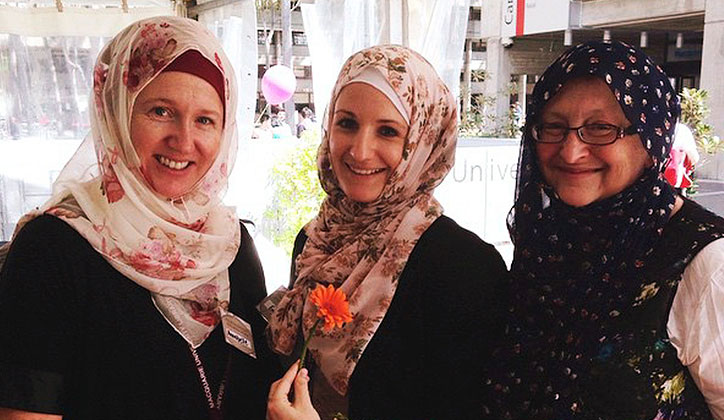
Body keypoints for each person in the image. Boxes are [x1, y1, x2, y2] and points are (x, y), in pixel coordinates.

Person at [0, 16, 278, 420]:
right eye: (160, 110)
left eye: (204, 120)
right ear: (116, 112)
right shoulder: (52, 249)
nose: (183, 141)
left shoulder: (230, 246)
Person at [484, 40, 724, 420]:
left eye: (600, 128)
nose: (570, 151)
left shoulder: (705, 263)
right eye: (554, 127)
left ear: (651, 137)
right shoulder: (549, 239)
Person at [266, 44, 508, 420]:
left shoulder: (463, 268)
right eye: (347, 123)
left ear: (423, 142)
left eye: (388, 131)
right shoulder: (314, 240)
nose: (361, 152)